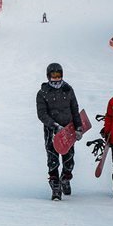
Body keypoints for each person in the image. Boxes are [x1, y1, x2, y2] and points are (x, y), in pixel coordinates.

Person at [36, 63, 83, 200]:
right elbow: (42, 114)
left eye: (59, 75)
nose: (56, 78)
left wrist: (78, 127)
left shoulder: (68, 90)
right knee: (53, 159)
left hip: (68, 129)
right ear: (48, 76)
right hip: (52, 131)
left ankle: (65, 178)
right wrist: (54, 126)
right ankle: (55, 185)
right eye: (53, 76)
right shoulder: (43, 93)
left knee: (69, 159)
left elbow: (74, 109)